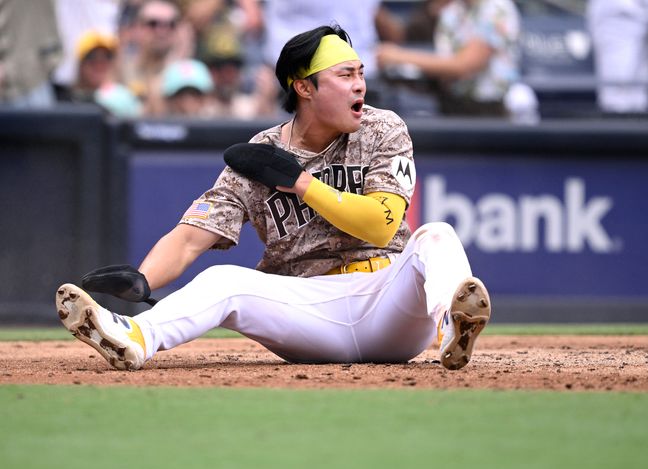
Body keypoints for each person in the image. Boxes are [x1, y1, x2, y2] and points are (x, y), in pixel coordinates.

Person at [55, 24, 492, 372]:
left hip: (389, 300)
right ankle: (134, 338)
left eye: (360, 72)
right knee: (223, 279)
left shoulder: (382, 129)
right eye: (345, 75)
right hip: (307, 311)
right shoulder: (261, 154)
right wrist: (145, 278)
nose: (360, 85)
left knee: (436, 234)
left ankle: (451, 325)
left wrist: (304, 184)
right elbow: (193, 235)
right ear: (304, 88)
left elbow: (380, 223)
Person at [375, 0, 522, 116]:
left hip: (487, 111)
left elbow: (464, 66)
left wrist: (398, 56)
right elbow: (444, 62)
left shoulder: (497, 8)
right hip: (448, 104)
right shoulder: (451, 10)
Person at [586, 0, 648, 114]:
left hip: (644, 19)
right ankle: (617, 128)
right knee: (618, 94)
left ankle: (637, 126)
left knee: (639, 94)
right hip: (619, 18)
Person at [117, 0, 189, 116]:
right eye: (153, 24)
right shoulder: (121, 69)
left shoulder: (187, 74)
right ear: (137, 27)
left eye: (171, 25)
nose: (162, 31)